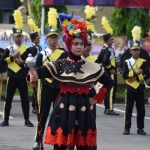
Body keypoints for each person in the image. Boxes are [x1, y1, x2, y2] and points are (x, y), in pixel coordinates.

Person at [30, 14, 114, 150]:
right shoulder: (60, 64)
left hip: (85, 109)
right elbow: (38, 72)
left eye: (82, 44)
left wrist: (96, 98)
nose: (79, 47)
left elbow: (109, 82)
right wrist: (32, 76)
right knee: (61, 146)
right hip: (63, 109)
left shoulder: (91, 66)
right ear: (69, 45)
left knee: (85, 146)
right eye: (75, 43)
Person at [32, 26, 68, 150]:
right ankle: (38, 140)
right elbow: (36, 70)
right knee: (43, 114)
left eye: (55, 37)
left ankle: (58, 140)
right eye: (51, 37)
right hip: (45, 86)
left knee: (59, 114)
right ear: (47, 39)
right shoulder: (42, 54)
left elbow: (66, 69)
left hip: (59, 87)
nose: (53, 39)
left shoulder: (63, 53)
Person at [0, 27, 34, 127]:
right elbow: (2, 61)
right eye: (16, 36)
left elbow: (30, 63)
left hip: (22, 77)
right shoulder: (9, 49)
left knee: (25, 99)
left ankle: (27, 120)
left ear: (22, 37)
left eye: (20, 36)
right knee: (8, 99)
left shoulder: (26, 49)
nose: (18, 38)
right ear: (13, 37)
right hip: (12, 76)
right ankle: (6, 120)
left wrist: (22, 62)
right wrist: (13, 57)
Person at [122, 43, 149, 135]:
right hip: (130, 87)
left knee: (141, 109)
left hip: (140, 87)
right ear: (130, 51)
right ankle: (127, 128)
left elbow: (147, 74)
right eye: (134, 50)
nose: (136, 52)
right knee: (129, 108)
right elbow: (124, 75)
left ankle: (140, 128)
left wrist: (135, 77)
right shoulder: (127, 62)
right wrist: (135, 74)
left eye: (138, 50)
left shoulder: (143, 61)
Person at [96, 33, 119, 115]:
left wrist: (103, 68)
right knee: (111, 91)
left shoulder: (103, 49)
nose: (112, 41)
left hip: (106, 73)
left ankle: (107, 108)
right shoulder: (108, 49)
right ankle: (109, 109)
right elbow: (105, 61)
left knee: (108, 90)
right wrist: (110, 69)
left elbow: (98, 61)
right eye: (111, 40)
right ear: (108, 41)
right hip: (110, 73)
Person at [29, 32, 42, 114]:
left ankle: (38, 105)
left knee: (39, 89)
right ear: (34, 40)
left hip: (39, 70)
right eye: (38, 38)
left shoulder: (39, 47)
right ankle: (34, 106)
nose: (39, 40)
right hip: (34, 70)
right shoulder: (32, 48)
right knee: (35, 89)